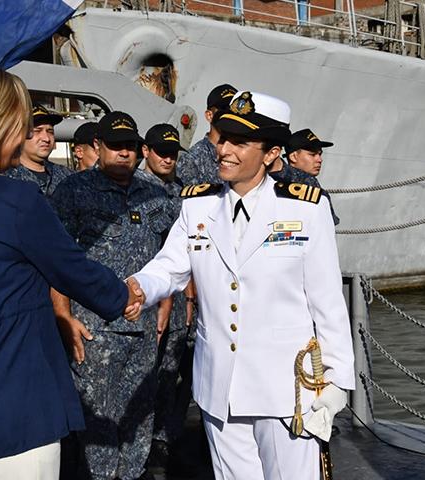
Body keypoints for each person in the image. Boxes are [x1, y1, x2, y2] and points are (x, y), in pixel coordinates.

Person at [0, 58, 143, 480]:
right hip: (11, 423)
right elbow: (72, 269)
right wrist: (125, 295)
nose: (24, 137)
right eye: (20, 124)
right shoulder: (15, 201)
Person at [130, 91, 355, 480]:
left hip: (287, 392)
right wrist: (135, 287)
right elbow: (168, 268)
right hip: (220, 389)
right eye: (223, 138)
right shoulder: (197, 205)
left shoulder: (305, 208)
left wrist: (336, 383)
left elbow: (327, 303)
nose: (225, 150)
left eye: (240, 142)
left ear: (270, 154)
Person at [50, 111, 176, 480]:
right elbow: (56, 261)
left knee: (139, 418)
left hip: (144, 330)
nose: (124, 153)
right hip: (94, 332)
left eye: (130, 147)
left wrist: (165, 307)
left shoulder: (155, 195)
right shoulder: (72, 192)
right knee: (97, 424)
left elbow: (169, 256)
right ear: (97, 146)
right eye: (116, 146)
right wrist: (64, 317)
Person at [141, 124, 197, 477]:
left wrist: (189, 297)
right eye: (161, 150)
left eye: (173, 152)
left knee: (170, 371)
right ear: (146, 151)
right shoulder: (133, 188)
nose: (168, 157)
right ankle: (140, 443)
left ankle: (162, 439)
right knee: (142, 373)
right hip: (144, 296)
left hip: (177, 300)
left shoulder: (184, 193)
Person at [176, 83, 237, 185]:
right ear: (209, 115)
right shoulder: (192, 161)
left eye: (235, 112)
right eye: (225, 111)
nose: (231, 117)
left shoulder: (242, 154)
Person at [6, 103, 71, 195]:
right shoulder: (4, 178)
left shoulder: (67, 176)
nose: (46, 138)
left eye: (50, 131)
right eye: (37, 131)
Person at [284, 128, 339, 224]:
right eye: (312, 154)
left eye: (320, 154)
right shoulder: (308, 183)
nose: (320, 159)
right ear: (293, 157)